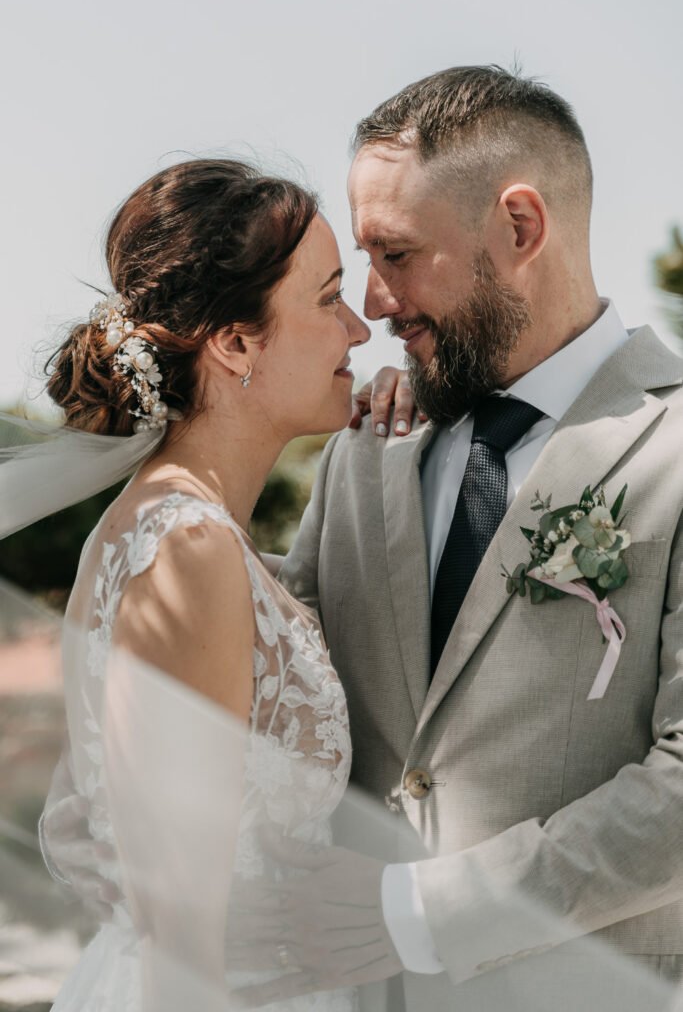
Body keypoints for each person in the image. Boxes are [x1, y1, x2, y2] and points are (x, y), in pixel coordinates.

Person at [247, 65, 683, 1011]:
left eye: (396, 254)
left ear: (519, 228)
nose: (371, 301)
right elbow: (289, 660)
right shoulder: (367, 449)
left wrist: (422, 913)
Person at [13, 157, 399, 1011]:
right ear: (234, 343)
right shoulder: (186, 547)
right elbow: (180, 931)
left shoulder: (190, 531)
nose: (358, 332)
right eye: (328, 299)